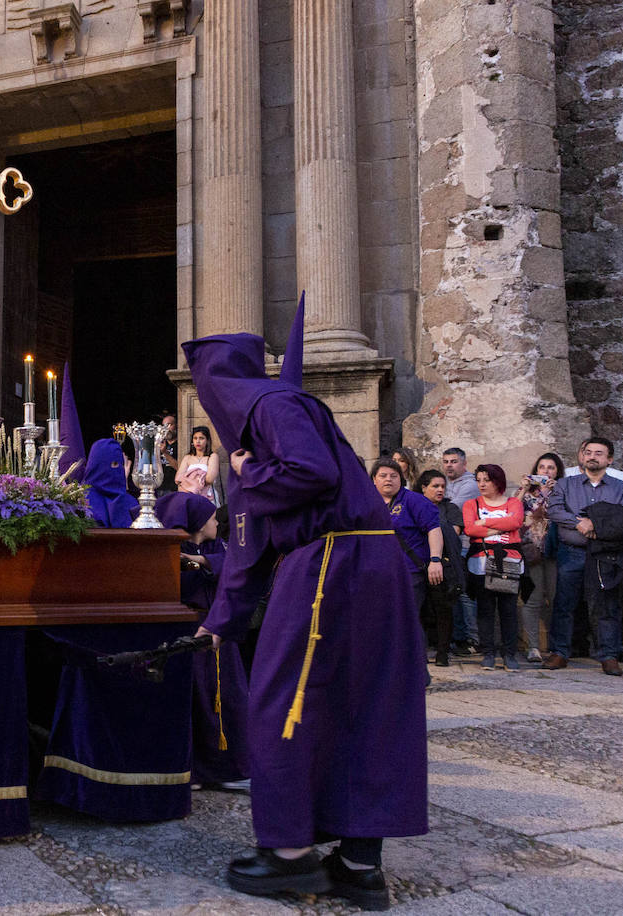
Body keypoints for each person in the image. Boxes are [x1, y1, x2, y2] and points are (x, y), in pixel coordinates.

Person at [185, 313, 426, 911]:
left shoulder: (273, 406)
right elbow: (248, 545)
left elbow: (308, 474)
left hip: (330, 565)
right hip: (363, 562)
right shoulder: (265, 420)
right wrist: (219, 622)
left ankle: (290, 854)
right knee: (364, 707)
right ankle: (357, 865)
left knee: (285, 701)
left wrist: (244, 471)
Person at [154, 491, 249, 791]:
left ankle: (227, 768)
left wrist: (202, 560)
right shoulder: (172, 551)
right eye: (210, 518)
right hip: (192, 632)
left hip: (219, 633)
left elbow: (235, 565)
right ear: (196, 522)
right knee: (194, 701)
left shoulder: (214, 546)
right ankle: (193, 770)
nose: (216, 523)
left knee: (228, 700)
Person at [543, 437, 623, 672]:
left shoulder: (621, 487)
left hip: (605, 555)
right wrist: (579, 523)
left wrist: (595, 524)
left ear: (609, 459)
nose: (592, 456)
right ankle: (559, 652)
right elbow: (554, 510)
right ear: (582, 456)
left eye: (599, 453)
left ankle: (608, 655)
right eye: (588, 452)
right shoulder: (565, 485)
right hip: (571, 552)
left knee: (606, 605)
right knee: (564, 603)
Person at [462, 464, 525, 671]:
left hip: (509, 560)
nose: (481, 484)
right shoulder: (472, 504)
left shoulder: (513, 502)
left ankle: (509, 654)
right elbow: (470, 529)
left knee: (508, 610)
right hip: (481, 561)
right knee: (485, 609)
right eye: (479, 480)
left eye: (486, 480)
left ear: (497, 481)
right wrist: (492, 527)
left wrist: (485, 523)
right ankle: (488, 652)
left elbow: (515, 521)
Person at [372, 458, 443, 628]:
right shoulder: (368, 502)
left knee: (405, 620)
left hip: (408, 571)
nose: (388, 479)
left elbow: (434, 529)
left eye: (393, 476)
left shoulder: (413, 500)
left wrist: (435, 560)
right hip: (377, 572)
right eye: (383, 475)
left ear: (401, 479)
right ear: (374, 479)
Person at [511, 453, 565, 664]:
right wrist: (524, 488)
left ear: (557, 471)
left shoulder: (562, 491)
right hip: (531, 550)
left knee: (555, 598)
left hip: (555, 550)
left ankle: (556, 646)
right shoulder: (526, 492)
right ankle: (532, 646)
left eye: (551, 468)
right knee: (532, 599)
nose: (545, 471)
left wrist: (552, 492)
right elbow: (511, 510)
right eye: (542, 467)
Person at [416, 469, 466, 667]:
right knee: (421, 609)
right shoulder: (415, 506)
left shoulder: (449, 508)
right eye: (435, 486)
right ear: (423, 487)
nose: (440, 490)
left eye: (442, 486)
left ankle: (443, 652)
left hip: (444, 564)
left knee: (443, 609)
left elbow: (452, 534)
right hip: (419, 563)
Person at [442, 447, 480, 656]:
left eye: (454, 461)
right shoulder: (445, 482)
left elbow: (451, 509)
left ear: (464, 464)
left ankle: (472, 638)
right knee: (452, 593)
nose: (449, 465)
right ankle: (458, 637)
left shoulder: (470, 484)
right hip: (449, 544)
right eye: (446, 461)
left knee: (464, 593)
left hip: (464, 545)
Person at [84, 439, 140, 528]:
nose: (119, 469)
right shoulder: (81, 502)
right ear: (97, 464)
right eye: (114, 464)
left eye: (120, 464)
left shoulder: (131, 503)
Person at [175, 426, 221, 505]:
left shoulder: (212, 456)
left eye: (201, 438)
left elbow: (210, 479)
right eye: (195, 438)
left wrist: (189, 478)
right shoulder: (187, 457)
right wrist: (199, 476)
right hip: (189, 496)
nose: (198, 441)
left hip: (207, 496)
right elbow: (178, 479)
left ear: (207, 440)